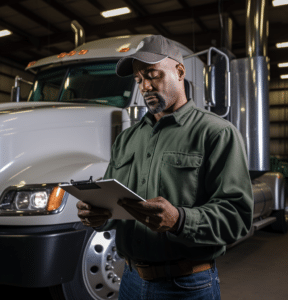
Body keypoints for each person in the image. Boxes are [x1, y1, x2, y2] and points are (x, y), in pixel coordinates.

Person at [77, 35, 254, 300]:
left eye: (152, 75)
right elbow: (117, 204)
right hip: (131, 282)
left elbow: (238, 217)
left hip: (188, 286)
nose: (145, 86)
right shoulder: (127, 139)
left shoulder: (216, 133)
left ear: (179, 71)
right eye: (138, 80)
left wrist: (180, 220)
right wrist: (99, 215)